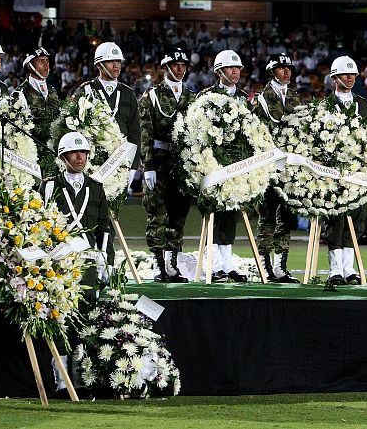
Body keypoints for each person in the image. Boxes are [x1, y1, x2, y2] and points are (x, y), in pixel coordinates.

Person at [41, 131, 114, 394]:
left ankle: (82, 375)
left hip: (89, 263)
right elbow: (41, 225)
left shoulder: (96, 187)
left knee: (86, 319)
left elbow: (105, 228)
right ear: (62, 156)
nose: (80, 157)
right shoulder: (49, 186)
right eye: (74, 152)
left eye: (83, 153)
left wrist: (108, 261)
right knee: (61, 319)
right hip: (60, 264)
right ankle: (61, 379)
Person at [138, 48, 195, 283]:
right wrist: (148, 166)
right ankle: (159, 264)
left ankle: (172, 266)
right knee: (157, 215)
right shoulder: (150, 97)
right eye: (176, 65)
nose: (180, 69)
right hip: (159, 163)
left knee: (178, 216)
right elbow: (145, 134)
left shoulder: (192, 97)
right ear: (166, 67)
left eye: (183, 65)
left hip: (181, 166)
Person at [322, 55, 367, 286]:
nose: (350, 78)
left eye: (353, 74)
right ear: (335, 77)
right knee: (335, 223)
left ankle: (349, 269)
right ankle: (335, 269)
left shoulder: (363, 104)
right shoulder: (325, 105)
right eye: (345, 74)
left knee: (356, 222)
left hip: (359, 174)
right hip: (334, 175)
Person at [196, 49, 250, 282]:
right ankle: (214, 265)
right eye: (231, 68)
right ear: (219, 71)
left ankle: (227, 264)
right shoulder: (205, 96)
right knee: (214, 215)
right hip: (213, 165)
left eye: (238, 68)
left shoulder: (245, 98)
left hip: (237, 168)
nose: (235, 71)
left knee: (231, 215)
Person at [253, 52, 301, 283]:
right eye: (282, 69)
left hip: (289, 167)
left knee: (286, 217)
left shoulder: (295, 98)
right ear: (272, 72)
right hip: (268, 166)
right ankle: (265, 265)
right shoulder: (261, 99)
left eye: (289, 68)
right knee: (267, 217)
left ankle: (281, 266)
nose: (286, 72)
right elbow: (255, 134)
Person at [77, 42, 141, 176]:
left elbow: (134, 133)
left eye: (118, 61)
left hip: (120, 163)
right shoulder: (85, 91)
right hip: (92, 164)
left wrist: (133, 167)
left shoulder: (128, 94)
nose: (116, 65)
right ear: (99, 65)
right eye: (111, 61)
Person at [19, 47, 60, 175]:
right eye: (41, 61)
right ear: (30, 65)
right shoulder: (21, 93)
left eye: (47, 61)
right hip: (33, 155)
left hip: (53, 153)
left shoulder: (52, 90)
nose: (46, 65)